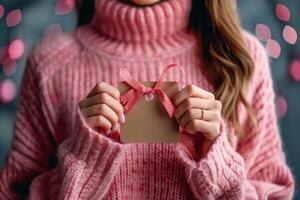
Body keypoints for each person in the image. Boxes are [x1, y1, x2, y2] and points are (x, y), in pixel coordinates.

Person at [0, 0, 295, 199]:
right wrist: (85, 155)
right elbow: (15, 193)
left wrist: (216, 159)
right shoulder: (51, 62)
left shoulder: (241, 57)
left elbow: (276, 193)